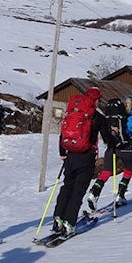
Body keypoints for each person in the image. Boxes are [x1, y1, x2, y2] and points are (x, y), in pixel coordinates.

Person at [51, 87, 105, 236]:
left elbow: (62, 135)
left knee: (67, 187)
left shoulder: (75, 113)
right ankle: (69, 223)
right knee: (78, 191)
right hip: (86, 157)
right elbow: (107, 139)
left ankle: (58, 219)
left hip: (70, 156)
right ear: (97, 100)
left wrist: (62, 152)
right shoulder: (98, 117)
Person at [85, 94, 132, 209]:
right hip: (126, 150)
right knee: (127, 172)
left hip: (112, 147)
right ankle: (120, 195)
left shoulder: (110, 118)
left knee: (106, 173)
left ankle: (94, 192)